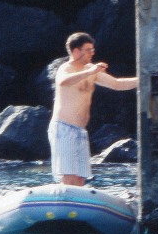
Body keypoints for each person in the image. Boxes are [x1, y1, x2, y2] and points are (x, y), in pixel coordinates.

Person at [50, 32, 138, 186]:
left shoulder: (91, 69)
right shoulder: (65, 68)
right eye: (88, 50)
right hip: (64, 128)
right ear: (76, 51)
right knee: (69, 176)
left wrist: (143, 79)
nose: (92, 53)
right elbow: (64, 82)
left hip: (80, 130)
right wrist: (90, 71)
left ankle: (77, 201)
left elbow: (117, 84)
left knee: (80, 178)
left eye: (92, 50)